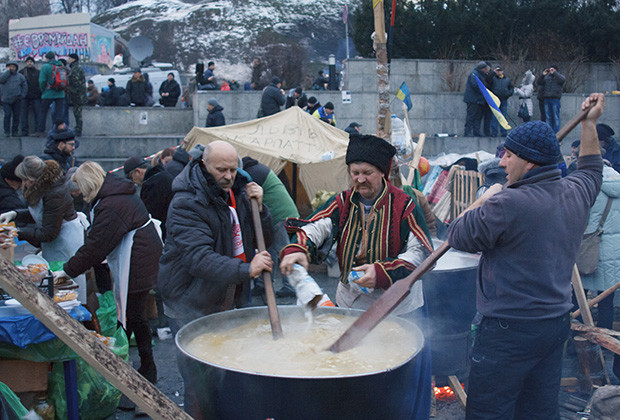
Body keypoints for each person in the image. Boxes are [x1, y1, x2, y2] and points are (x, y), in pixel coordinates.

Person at [446, 93, 605, 420]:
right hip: (554, 326)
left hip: (508, 332)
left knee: (488, 412)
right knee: (538, 411)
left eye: (508, 155)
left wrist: (485, 198)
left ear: (529, 162)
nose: (502, 162)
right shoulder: (575, 191)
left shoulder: (507, 205)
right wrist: (590, 124)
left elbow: (457, 234)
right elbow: (591, 167)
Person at [279, 134, 434, 420]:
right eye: (355, 172)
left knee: (394, 379)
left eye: (368, 173)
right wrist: (298, 248)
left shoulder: (404, 204)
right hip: (350, 304)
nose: (360, 180)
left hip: (397, 308)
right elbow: (316, 227)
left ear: (383, 173)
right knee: (354, 371)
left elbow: (422, 254)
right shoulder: (343, 202)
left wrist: (382, 272)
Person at [159, 140, 273, 416]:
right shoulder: (186, 202)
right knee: (200, 382)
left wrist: (261, 209)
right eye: (221, 169)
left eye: (233, 169)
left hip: (225, 296)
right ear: (203, 165)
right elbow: (198, 258)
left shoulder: (235, 193)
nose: (228, 176)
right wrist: (247, 270)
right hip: (190, 299)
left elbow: (262, 238)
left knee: (229, 372)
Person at [54, 161, 162, 384]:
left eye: (81, 189)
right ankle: (137, 367)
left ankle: (143, 370)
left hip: (138, 257)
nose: (81, 195)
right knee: (133, 313)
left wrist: (67, 270)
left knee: (133, 313)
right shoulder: (113, 193)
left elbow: (96, 247)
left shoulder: (111, 203)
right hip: (142, 252)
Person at [0, 156, 86, 299]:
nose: (24, 184)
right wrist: (15, 215)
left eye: (25, 180)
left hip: (65, 243)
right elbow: (41, 213)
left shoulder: (55, 193)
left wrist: (18, 232)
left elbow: (48, 233)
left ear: (33, 178)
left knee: (66, 287)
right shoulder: (44, 189)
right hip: (55, 241)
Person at [241, 156, 300, 297]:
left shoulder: (251, 174)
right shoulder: (259, 168)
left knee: (283, 250)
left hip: (279, 215)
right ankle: (264, 285)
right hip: (284, 213)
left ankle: (290, 286)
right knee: (270, 251)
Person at [124, 155, 174, 240]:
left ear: (138, 172)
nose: (132, 181)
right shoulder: (162, 175)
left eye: (131, 177)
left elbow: (151, 216)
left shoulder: (151, 185)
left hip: (165, 233)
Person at [39, 52, 66, 131]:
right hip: (60, 93)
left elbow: (42, 81)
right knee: (59, 114)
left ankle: (40, 130)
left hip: (48, 93)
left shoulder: (45, 67)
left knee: (43, 111)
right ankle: (59, 130)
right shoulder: (61, 66)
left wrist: (42, 90)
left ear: (47, 58)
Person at [463, 61, 491, 137]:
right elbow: (475, 85)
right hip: (473, 99)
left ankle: (476, 131)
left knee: (478, 117)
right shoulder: (474, 74)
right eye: (486, 69)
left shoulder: (480, 74)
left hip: (479, 99)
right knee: (471, 116)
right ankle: (467, 132)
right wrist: (484, 91)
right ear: (482, 69)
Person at [0, 61, 27, 137]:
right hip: (6, 99)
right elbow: (1, 80)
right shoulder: (3, 75)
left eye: (13, 67)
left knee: (16, 116)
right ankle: (7, 131)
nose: (12, 68)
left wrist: (22, 95)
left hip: (17, 99)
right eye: (10, 66)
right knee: (7, 115)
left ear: (16, 68)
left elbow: (24, 86)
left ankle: (15, 131)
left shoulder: (20, 76)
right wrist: (7, 73)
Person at [537, 65, 565, 133]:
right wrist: (543, 75)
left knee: (555, 117)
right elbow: (539, 82)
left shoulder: (559, 77)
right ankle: (549, 133)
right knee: (548, 118)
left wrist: (555, 73)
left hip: (555, 99)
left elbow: (562, 80)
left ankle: (557, 134)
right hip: (546, 99)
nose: (551, 71)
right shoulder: (547, 77)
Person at [19, 56, 42, 136]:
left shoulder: (38, 72)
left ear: (33, 63)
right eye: (28, 61)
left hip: (36, 96)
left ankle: (38, 130)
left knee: (38, 114)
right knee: (23, 115)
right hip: (24, 97)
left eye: (31, 62)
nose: (29, 63)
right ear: (26, 63)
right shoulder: (22, 72)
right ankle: (24, 131)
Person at [489, 66, 514, 137]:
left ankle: (504, 132)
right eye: (497, 71)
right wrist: (493, 73)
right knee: (494, 117)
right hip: (495, 101)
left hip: (504, 100)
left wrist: (508, 94)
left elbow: (511, 88)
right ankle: (494, 132)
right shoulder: (493, 79)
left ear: (502, 71)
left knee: (503, 117)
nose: (499, 72)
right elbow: (488, 81)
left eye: (500, 70)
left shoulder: (507, 79)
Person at [66, 53, 86, 136]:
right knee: (76, 112)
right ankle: (78, 128)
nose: (68, 60)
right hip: (77, 94)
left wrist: (72, 90)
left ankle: (78, 129)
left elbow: (75, 81)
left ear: (73, 59)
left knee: (77, 113)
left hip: (77, 94)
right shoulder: (74, 67)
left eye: (69, 58)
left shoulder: (76, 68)